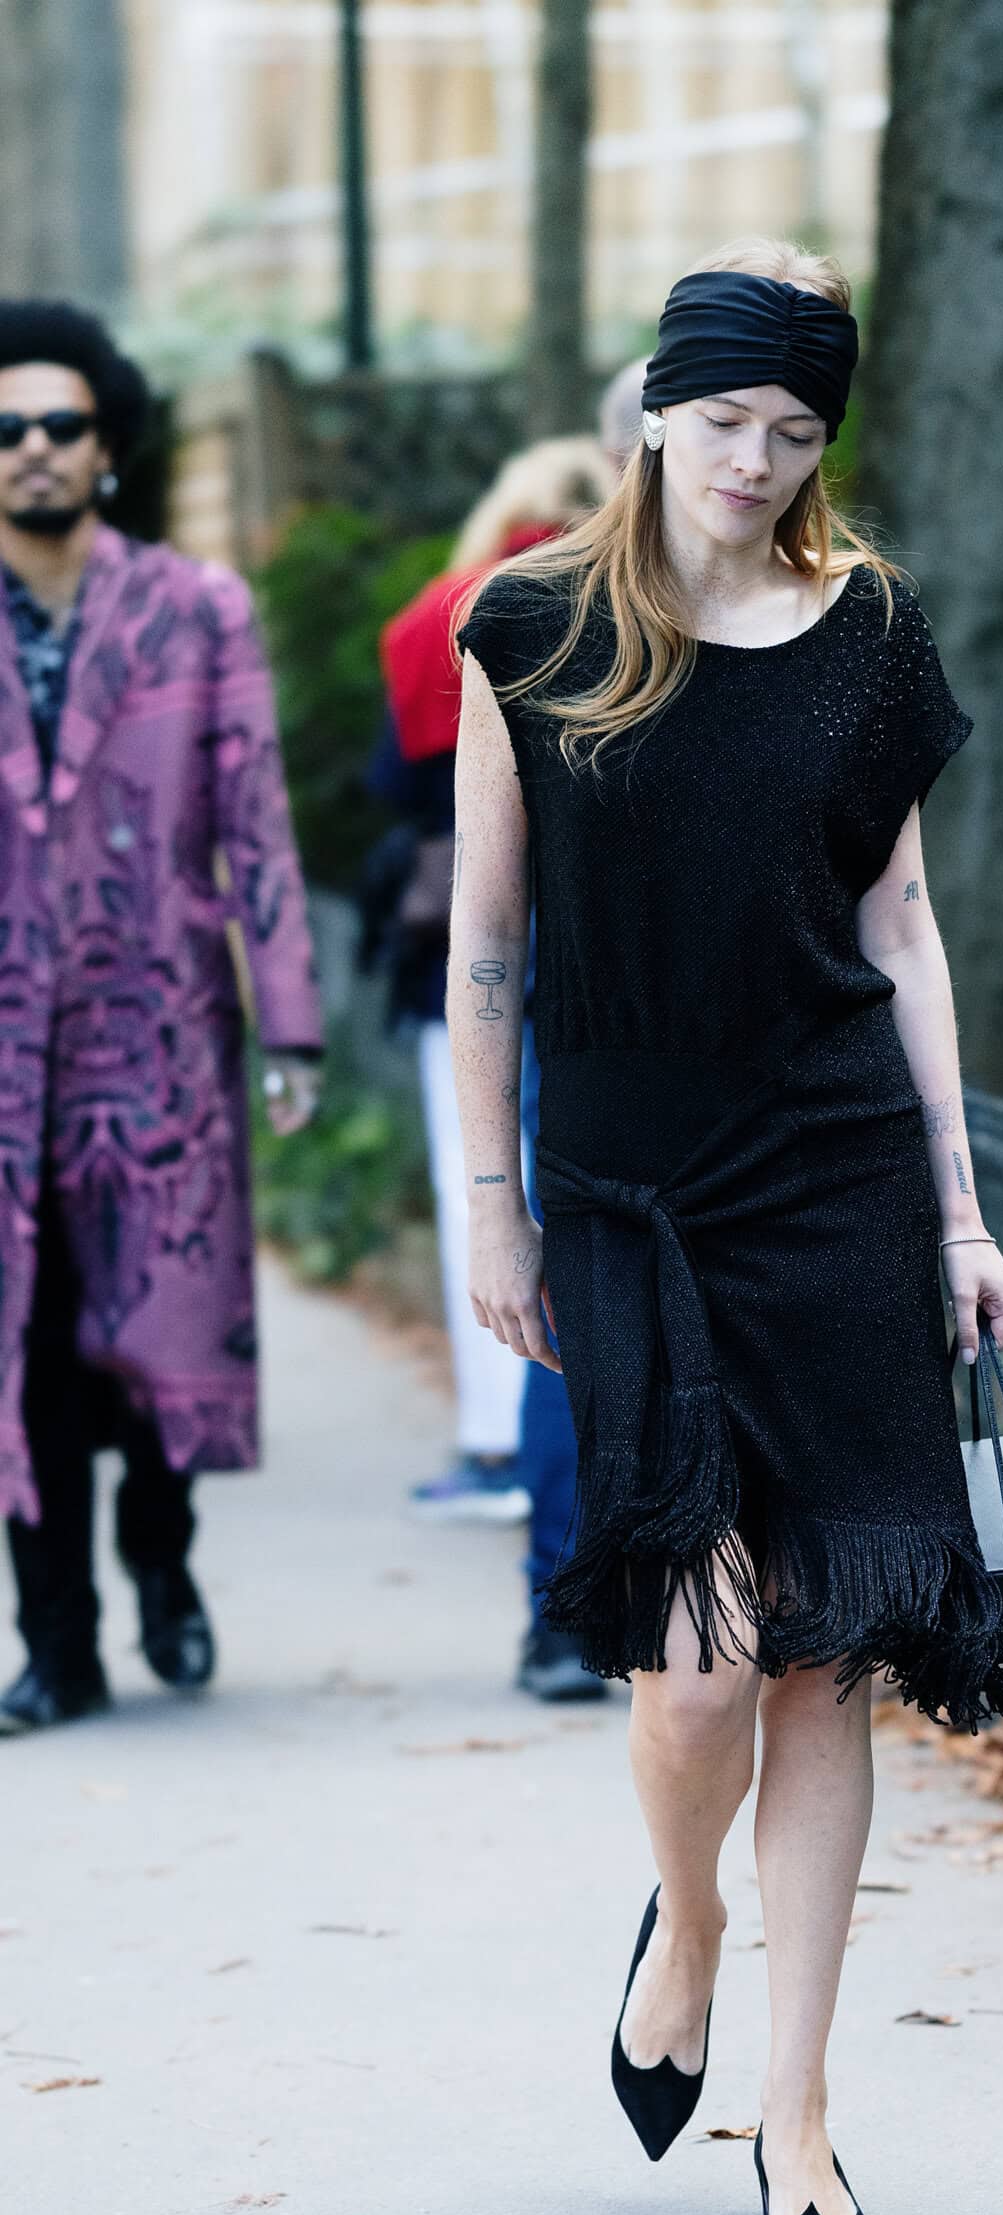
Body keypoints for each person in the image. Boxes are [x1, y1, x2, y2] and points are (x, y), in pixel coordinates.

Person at [448, 239, 1003, 2215]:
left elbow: (900, 932)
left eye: (790, 431)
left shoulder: (864, 632)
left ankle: (797, 2104)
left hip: (835, 1186)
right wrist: (493, 1205)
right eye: (722, 422)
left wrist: (958, 1210)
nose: (754, 462)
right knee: (688, 1678)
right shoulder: (532, 628)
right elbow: (487, 944)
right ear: (654, 408)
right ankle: (683, 1926)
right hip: (631, 1202)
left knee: (817, 1663)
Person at [0, 301, 322, 1736]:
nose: (33, 449)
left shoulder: (198, 607)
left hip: (159, 1039)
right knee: (23, 1347)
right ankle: (56, 1647)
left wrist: (290, 1025)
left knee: (153, 1332)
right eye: (6, 428)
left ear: (107, 444)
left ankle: (161, 1557)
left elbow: (257, 824)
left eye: (60, 424)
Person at [367, 439, 613, 1552]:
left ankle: (496, 1442)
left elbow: (392, 780)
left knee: (484, 1192)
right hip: (601, 949)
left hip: (468, 933)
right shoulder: (628, 607)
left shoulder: (446, 615)